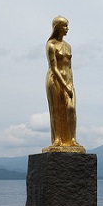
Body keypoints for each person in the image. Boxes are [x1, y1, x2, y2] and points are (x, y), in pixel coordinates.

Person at [42, 16, 85, 153]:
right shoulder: (51, 45)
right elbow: (53, 67)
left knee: (70, 109)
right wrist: (65, 85)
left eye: (67, 25)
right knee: (56, 109)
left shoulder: (68, 46)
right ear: (58, 27)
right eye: (65, 26)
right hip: (54, 80)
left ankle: (72, 139)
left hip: (68, 80)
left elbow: (70, 67)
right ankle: (57, 139)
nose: (67, 29)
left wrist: (70, 84)